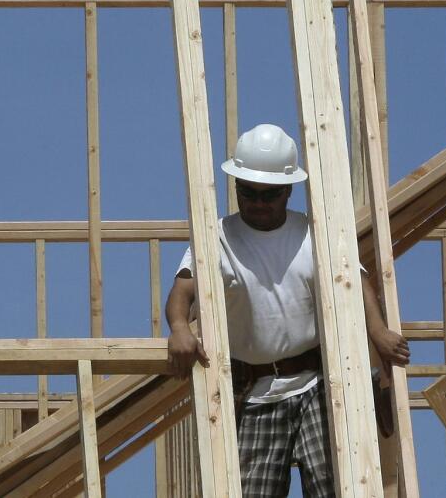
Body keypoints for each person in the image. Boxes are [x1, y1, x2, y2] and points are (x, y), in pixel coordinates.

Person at [165, 123, 410, 497]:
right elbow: (182, 290)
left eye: (270, 195)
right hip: (257, 392)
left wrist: (376, 331)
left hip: (317, 384)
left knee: (340, 485)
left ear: (288, 191)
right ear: (236, 187)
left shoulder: (313, 233)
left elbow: (356, 282)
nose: (259, 203)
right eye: (249, 193)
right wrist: (180, 327)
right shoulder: (218, 237)